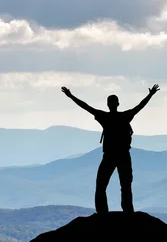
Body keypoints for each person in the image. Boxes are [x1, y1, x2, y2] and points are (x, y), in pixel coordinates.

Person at [61, 84, 160, 214]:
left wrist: (70, 96)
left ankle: (102, 214)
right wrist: (150, 95)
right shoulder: (125, 116)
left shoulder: (104, 117)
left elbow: (86, 106)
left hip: (109, 156)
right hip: (124, 155)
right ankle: (128, 212)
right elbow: (140, 106)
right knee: (125, 186)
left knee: (101, 185)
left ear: (108, 104)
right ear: (118, 104)